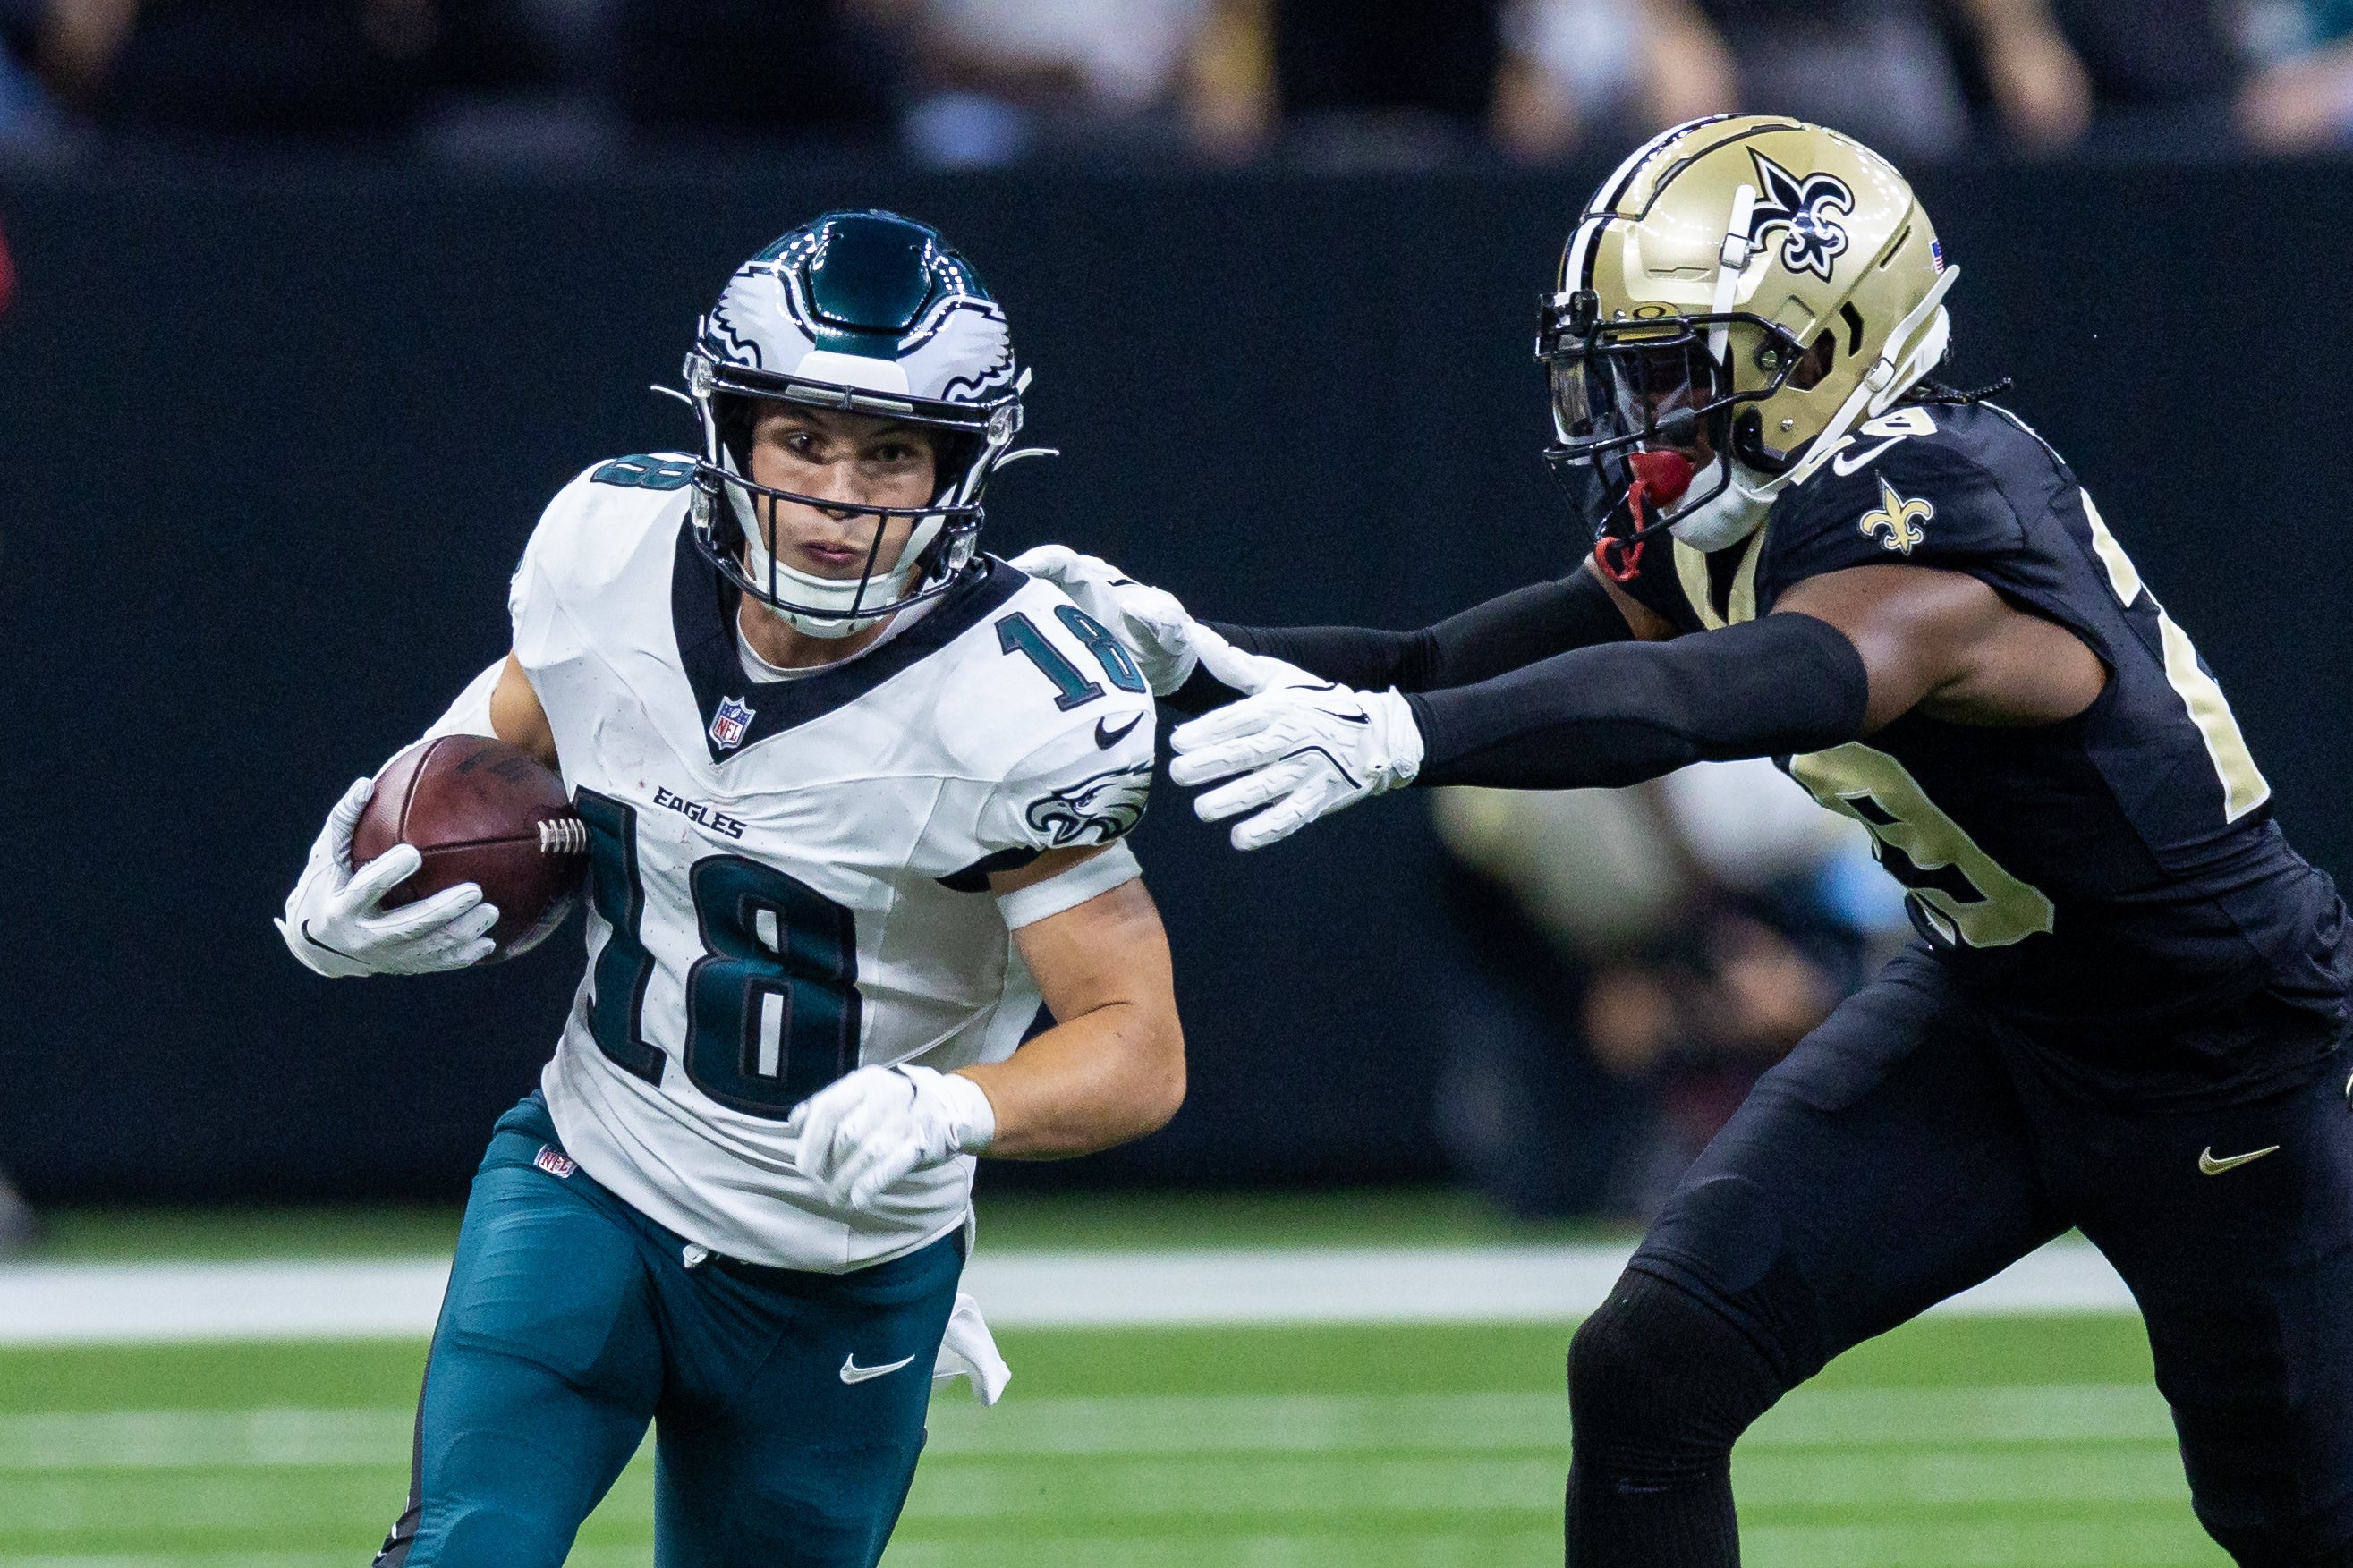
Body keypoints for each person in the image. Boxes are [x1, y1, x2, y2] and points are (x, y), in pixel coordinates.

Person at [1020, 117, 2353, 1566]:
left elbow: (1723, 690)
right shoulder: (1757, 504)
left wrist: (1405, 742)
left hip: (2217, 1042)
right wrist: (1196, 661)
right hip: (1996, 1011)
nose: (1639, 414)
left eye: (1670, 368)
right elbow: (1436, 662)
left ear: (1818, 346)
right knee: (1653, 1364)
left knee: (2301, 1521)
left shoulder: (1943, 505)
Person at [277, 209, 1185, 1568]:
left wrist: (954, 1104)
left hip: (839, 1273)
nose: (841, 495)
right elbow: (504, 730)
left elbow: (1137, 1044)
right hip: (591, 1177)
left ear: (962, 466)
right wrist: (368, 860)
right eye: (803, 441)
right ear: (731, 433)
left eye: (892, 453)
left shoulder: (1015, 700)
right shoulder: (609, 546)